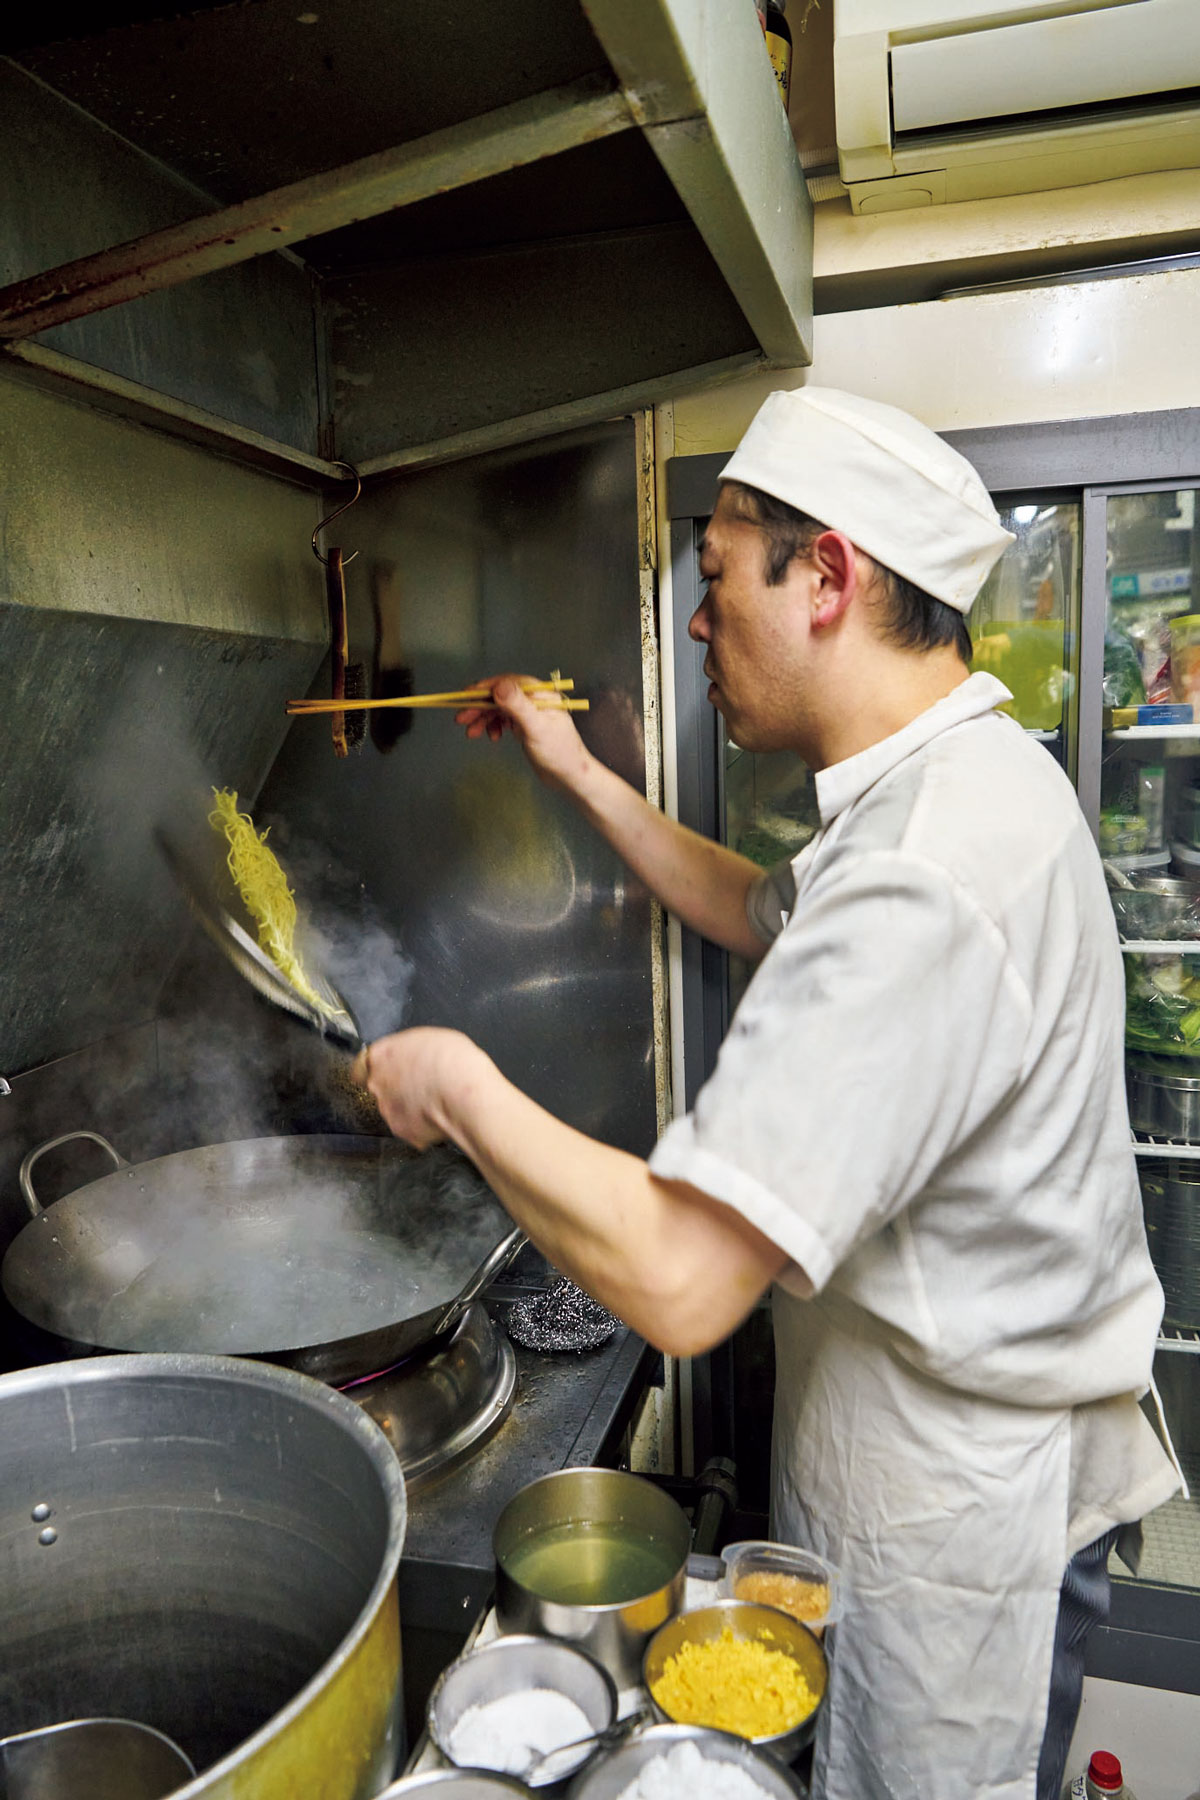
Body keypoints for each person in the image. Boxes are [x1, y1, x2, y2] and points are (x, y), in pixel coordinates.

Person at [355, 387, 1184, 1800]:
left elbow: (683, 1282)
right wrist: (579, 773)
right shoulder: (958, 784)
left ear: (829, 578)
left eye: (718, 575)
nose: (697, 621)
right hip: (916, 1460)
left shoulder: (927, 871)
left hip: (954, 1534)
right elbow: (754, 907)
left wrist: (458, 1081)